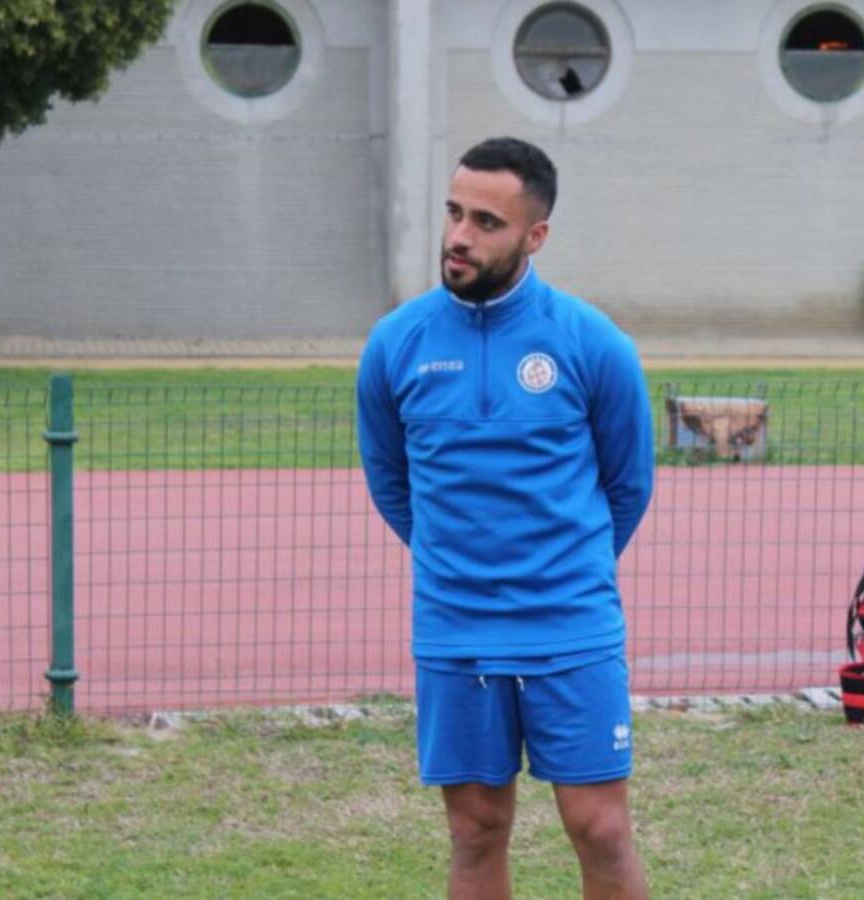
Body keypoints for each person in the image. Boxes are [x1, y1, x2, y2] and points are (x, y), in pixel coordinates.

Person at [357, 136, 654, 899]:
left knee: (602, 830)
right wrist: (455, 559)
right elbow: (391, 480)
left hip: (571, 625)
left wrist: (566, 566)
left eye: (486, 222)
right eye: (454, 212)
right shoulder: (396, 344)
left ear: (535, 235)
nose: (459, 235)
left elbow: (628, 485)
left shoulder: (592, 342)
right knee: (476, 831)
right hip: (455, 629)